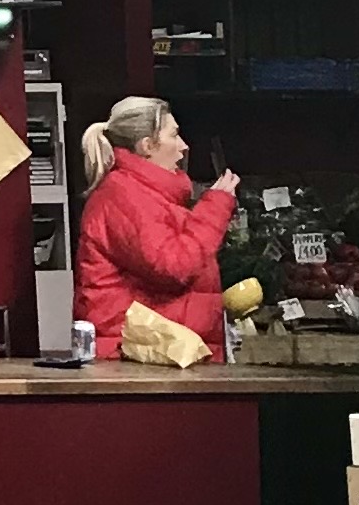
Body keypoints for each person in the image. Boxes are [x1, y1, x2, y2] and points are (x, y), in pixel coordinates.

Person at [72, 96, 239, 358]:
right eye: (174, 135)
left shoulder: (146, 193)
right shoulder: (123, 195)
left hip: (159, 355)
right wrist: (214, 209)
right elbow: (173, 266)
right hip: (137, 363)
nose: (183, 146)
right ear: (147, 145)